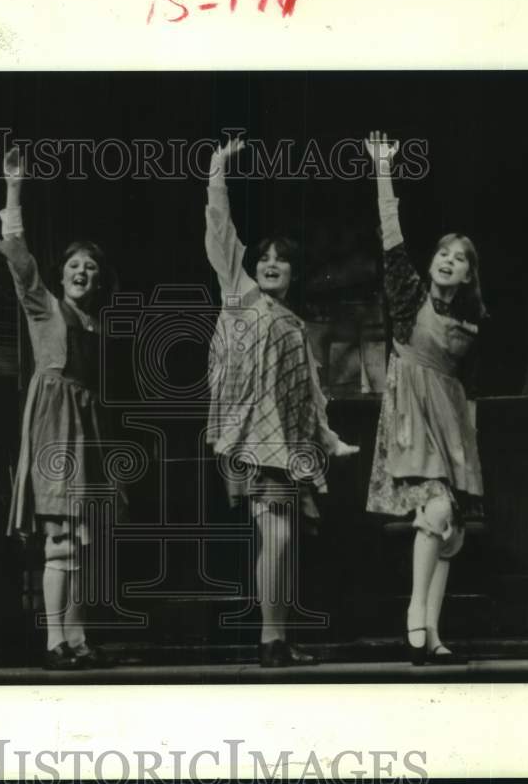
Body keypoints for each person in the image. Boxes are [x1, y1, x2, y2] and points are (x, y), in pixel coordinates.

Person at [203, 137, 358, 668]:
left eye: (281, 261)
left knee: (286, 539)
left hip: (288, 446)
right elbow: (222, 237)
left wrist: (330, 440)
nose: (270, 264)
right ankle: (271, 639)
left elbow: (310, 393)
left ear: (294, 273)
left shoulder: (295, 326)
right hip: (253, 437)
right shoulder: (240, 296)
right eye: (264, 258)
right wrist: (217, 174)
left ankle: (279, 635)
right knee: (278, 532)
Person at [363, 131, 487, 666]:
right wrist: (383, 170)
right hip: (412, 416)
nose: (448, 261)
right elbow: (391, 240)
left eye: (459, 258)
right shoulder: (410, 296)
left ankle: (431, 636)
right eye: (442, 252)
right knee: (433, 509)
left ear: (467, 273)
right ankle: (416, 614)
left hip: (452, 424)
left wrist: (470, 449)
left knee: (450, 530)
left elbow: (470, 390)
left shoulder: (472, 323)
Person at [0, 145, 120, 671]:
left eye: (91, 268)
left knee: (82, 540)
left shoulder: (98, 324)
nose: (82, 273)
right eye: (74, 265)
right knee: (62, 536)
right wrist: (14, 190)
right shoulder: (44, 307)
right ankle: (53, 643)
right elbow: (18, 258)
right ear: (61, 272)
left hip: (86, 427)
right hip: (54, 425)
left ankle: (77, 638)